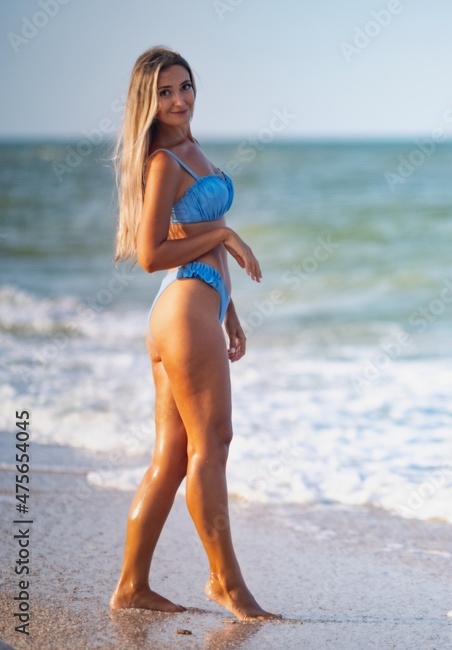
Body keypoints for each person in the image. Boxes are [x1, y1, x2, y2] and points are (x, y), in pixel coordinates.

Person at [108, 46, 278, 621]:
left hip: (196, 308)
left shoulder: (192, 149)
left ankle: (132, 586)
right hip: (181, 307)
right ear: (147, 101)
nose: (179, 99)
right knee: (214, 447)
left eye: (185, 87)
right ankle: (228, 585)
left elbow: (197, 233)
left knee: (174, 458)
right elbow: (151, 253)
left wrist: (229, 311)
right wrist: (225, 235)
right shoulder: (163, 161)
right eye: (164, 92)